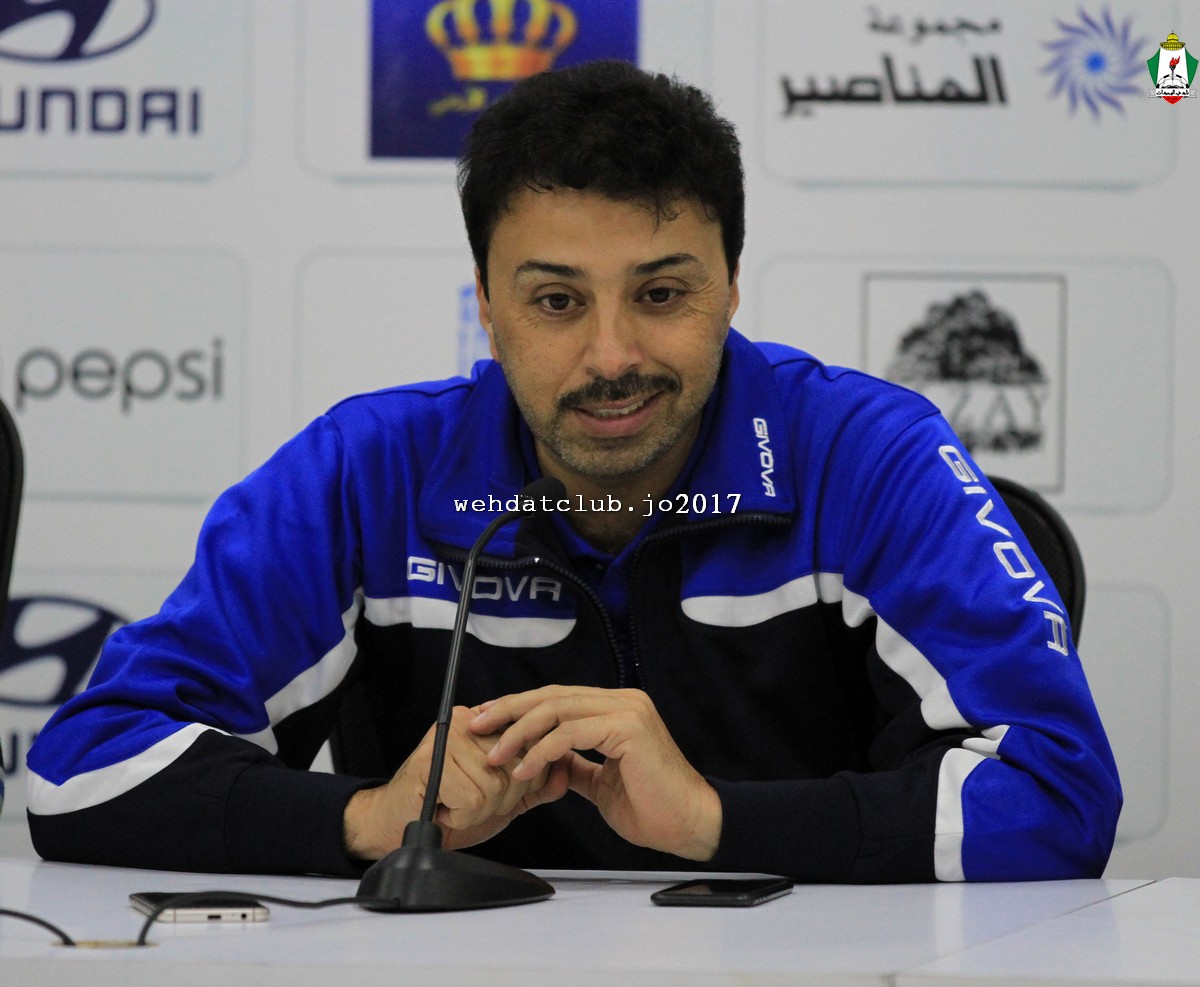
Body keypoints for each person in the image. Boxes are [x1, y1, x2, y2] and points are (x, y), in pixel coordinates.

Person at [27, 60, 1120, 882]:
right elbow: (83, 769)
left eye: (662, 293)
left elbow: (1061, 793)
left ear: (733, 284)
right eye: (556, 300)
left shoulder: (867, 456)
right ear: (486, 303)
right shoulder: (369, 471)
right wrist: (370, 818)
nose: (611, 356)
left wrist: (714, 820)